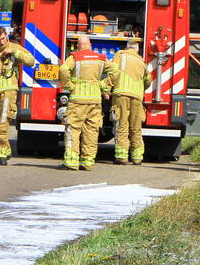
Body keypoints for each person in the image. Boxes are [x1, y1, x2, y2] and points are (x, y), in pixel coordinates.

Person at [0, 26, 35, 165]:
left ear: (7, 36)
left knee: (2, 125)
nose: (1, 42)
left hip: (8, 92)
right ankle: (5, 149)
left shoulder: (14, 47)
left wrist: (14, 52)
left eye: (3, 39)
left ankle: (0, 154)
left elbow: (30, 61)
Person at [58, 35, 109, 170]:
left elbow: (63, 69)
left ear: (78, 46)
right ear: (90, 44)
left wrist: (68, 85)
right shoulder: (101, 58)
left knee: (73, 129)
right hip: (95, 100)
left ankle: (71, 162)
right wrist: (104, 84)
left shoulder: (75, 57)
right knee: (91, 130)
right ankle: (87, 162)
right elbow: (116, 72)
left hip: (78, 100)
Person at [104, 39, 151, 165]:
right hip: (137, 97)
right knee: (136, 127)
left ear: (127, 47)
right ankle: (137, 157)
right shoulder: (142, 61)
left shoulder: (120, 56)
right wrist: (140, 89)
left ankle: (121, 157)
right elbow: (148, 80)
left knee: (122, 125)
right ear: (136, 49)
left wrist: (107, 89)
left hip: (121, 95)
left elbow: (113, 73)